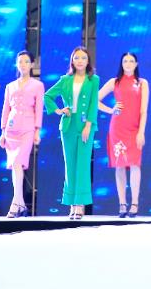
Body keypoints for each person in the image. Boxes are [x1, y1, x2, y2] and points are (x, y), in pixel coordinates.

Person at [44, 46, 100, 219]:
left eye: (83, 58)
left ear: (88, 61)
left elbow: (93, 104)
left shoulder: (93, 79)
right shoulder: (65, 79)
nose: (80, 61)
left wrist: (88, 125)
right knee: (70, 166)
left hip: (85, 126)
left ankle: (80, 204)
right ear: (72, 61)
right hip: (68, 126)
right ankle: (71, 204)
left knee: (83, 165)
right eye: (77, 58)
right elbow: (47, 96)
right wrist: (59, 110)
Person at [98, 52, 149, 218]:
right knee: (119, 165)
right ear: (121, 63)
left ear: (136, 64)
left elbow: (144, 110)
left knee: (135, 164)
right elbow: (95, 100)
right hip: (118, 128)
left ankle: (134, 203)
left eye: (131, 61)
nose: (128, 63)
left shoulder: (142, 83)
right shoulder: (115, 82)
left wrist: (141, 132)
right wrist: (110, 110)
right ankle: (122, 204)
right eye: (125, 61)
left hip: (135, 129)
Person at [0, 50, 43, 218]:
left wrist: (37, 130)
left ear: (32, 64)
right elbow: (6, 109)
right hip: (11, 129)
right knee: (14, 165)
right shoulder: (10, 86)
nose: (23, 64)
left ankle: (15, 204)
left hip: (28, 128)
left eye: (26, 61)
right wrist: (3, 131)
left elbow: (39, 109)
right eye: (20, 62)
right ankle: (20, 204)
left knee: (18, 162)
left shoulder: (37, 85)